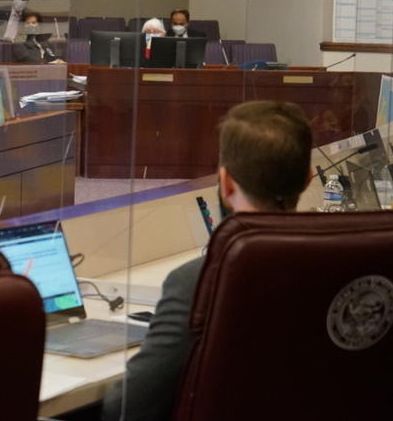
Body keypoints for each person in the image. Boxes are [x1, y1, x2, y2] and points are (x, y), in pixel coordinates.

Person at [101, 100, 314, 421]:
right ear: (309, 178)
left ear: (226, 183)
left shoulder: (200, 279)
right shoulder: (344, 266)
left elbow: (130, 407)